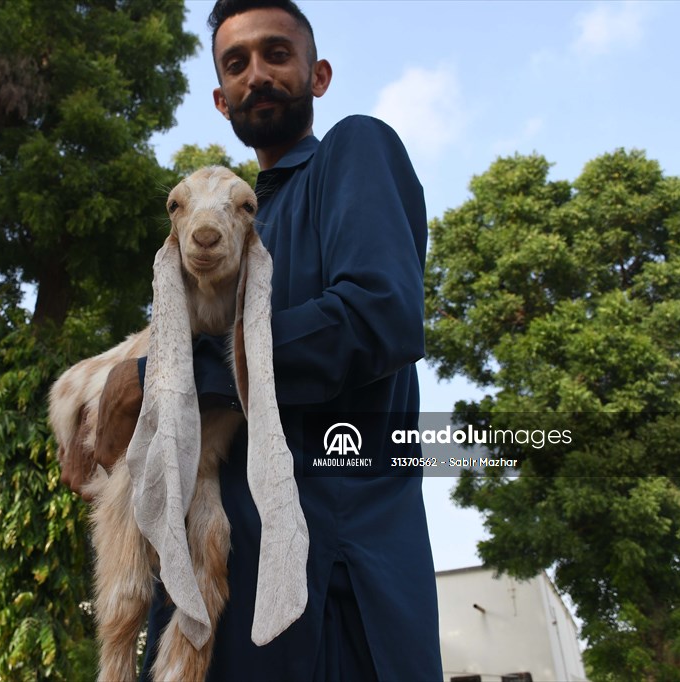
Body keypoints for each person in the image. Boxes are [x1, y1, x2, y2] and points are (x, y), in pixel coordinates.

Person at [76, 0, 443, 678]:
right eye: (236, 63)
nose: (257, 75)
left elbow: (377, 314)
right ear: (220, 99)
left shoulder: (352, 153)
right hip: (211, 616)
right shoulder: (225, 239)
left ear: (318, 74)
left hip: (329, 597)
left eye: (277, 53)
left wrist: (172, 375)